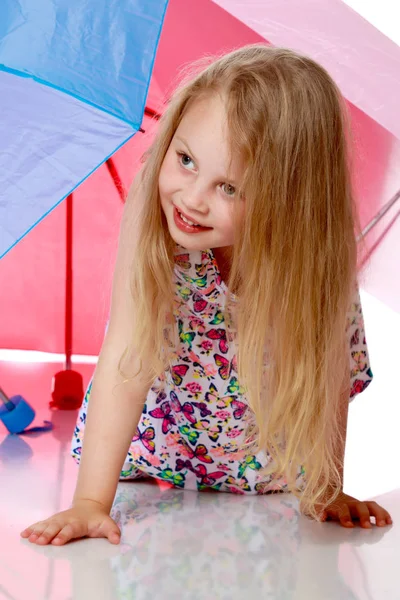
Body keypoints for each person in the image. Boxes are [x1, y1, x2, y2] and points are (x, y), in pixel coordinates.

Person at [21, 44, 392, 546]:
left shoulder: (312, 261)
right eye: (187, 159)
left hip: (265, 476)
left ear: (290, 200)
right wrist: (90, 503)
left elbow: (325, 372)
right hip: (152, 459)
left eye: (230, 188)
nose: (191, 199)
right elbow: (127, 361)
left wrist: (325, 489)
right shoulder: (155, 234)